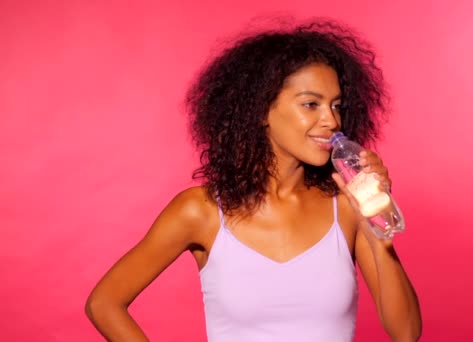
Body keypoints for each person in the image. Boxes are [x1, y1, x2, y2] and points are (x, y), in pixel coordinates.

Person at [85, 19, 421, 342]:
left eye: (336, 106)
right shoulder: (199, 211)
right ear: (261, 110)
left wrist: (375, 221)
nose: (331, 120)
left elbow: (406, 333)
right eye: (310, 104)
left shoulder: (345, 207)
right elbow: (104, 303)